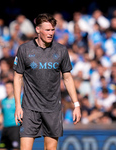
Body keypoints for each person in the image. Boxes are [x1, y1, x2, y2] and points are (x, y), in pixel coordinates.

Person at [13, 13, 81, 150]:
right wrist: (18, 106)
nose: (51, 33)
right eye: (47, 30)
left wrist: (76, 104)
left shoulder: (61, 50)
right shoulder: (25, 50)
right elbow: (17, 77)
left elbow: (67, 78)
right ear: (38, 29)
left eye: (52, 30)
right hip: (30, 108)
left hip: (52, 108)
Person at [0, 80, 21, 150]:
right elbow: (2, 114)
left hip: (15, 128)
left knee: (16, 148)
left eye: (8, 88)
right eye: (6, 88)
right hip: (5, 129)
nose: (7, 90)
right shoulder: (3, 101)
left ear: (13, 88)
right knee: (1, 147)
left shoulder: (19, 100)